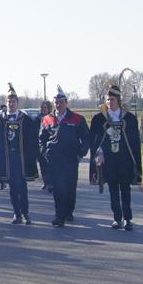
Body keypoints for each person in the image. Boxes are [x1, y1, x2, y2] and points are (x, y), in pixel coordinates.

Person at [90, 85, 142, 230]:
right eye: (107, 100)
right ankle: (117, 218)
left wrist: (135, 160)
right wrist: (99, 152)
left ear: (118, 100)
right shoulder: (99, 119)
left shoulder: (129, 118)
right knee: (113, 189)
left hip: (124, 160)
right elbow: (94, 139)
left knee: (125, 189)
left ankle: (127, 219)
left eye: (112, 99)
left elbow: (134, 141)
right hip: (109, 160)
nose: (109, 102)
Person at [40, 85, 90, 227]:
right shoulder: (47, 119)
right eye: (56, 102)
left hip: (70, 159)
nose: (58, 105)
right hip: (54, 160)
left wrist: (80, 153)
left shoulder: (77, 118)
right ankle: (59, 216)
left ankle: (69, 211)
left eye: (61, 102)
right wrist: (45, 153)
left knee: (70, 188)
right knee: (57, 188)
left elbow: (86, 138)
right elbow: (41, 139)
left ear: (66, 103)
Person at [0, 83, 38, 224]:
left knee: (22, 187)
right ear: (6, 103)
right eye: (9, 101)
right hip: (8, 159)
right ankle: (16, 213)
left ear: (17, 103)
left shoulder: (26, 120)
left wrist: (31, 157)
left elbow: (33, 140)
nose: (11, 104)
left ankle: (25, 213)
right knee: (12, 188)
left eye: (13, 101)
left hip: (21, 159)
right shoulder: (1, 120)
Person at [37, 100, 54, 191]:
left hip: (49, 144)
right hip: (39, 145)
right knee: (42, 165)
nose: (43, 109)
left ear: (49, 109)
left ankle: (51, 183)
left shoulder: (52, 118)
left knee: (49, 166)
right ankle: (45, 182)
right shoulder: (37, 118)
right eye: (42, 107)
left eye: (45, 108)